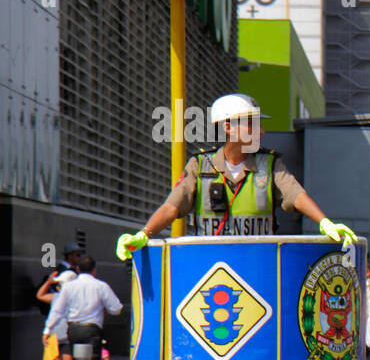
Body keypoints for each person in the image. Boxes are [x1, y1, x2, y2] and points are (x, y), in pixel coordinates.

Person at [115, 93, 356, 259]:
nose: (261, 131)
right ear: (228, 126)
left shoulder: (270, 164)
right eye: (252, 124)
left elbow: (296, 194)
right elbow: (172, 206)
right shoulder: (200, 165)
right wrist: (143, 234)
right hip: (209, 266)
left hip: (259, 265)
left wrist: (325, 222)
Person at [41, 255, 122, 360]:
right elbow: (116, 309)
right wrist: (103, 310)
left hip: (74, 330)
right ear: (94, 270)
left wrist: (47, 330)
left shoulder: (68, 287)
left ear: (78, 269)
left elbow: (57, 310)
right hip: (92, 330)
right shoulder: (101, 286)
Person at [36, 270, 78, 360]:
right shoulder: (56, 297)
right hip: (55, 337)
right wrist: (48, 282)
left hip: (68, 337)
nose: (59, 287)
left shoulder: (76, 298)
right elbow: (40, 295)